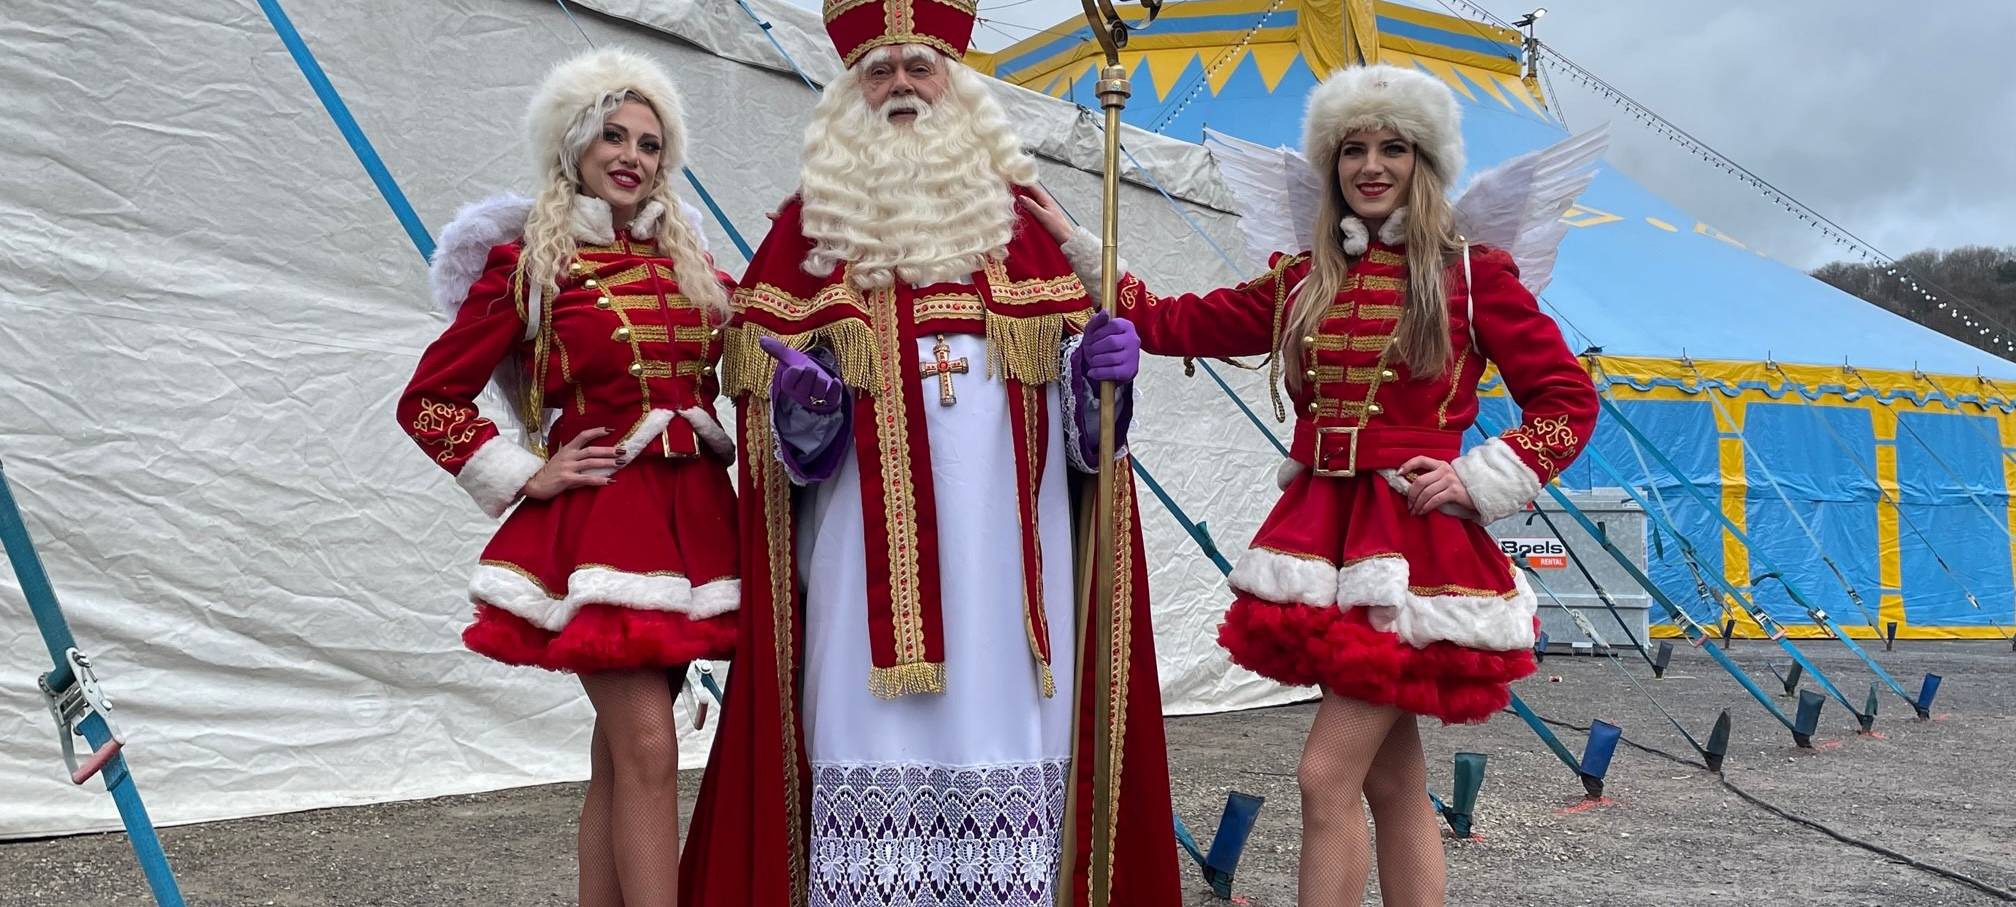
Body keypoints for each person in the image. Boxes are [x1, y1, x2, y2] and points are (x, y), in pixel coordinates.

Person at [1026, 63, 1600, 906]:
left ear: (1425, 161)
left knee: (1322, 775)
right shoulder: (1305, 275)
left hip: (1410, 544)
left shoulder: (1472, 273)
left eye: (1394, 148)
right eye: (1354, 150)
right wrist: (1085, 250)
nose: (1371, 166)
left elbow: (1567, 398)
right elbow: (1177, 322)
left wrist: (1478, 475)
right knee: (1391, 785)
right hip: (1325, 533)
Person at [678, 3, 1181, 905]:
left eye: (920, 68)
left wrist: (1104, 386)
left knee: (1014, 788)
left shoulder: (1030, 230)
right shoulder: (806, 233)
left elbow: (1087, 445)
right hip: (854, 577)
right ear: (848, 96)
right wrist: (804, 413)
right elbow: (780, 452)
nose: (902, 87)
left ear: (958, 86)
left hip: (1014, 587)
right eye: (879, 72)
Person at [397, 47, 737, 907]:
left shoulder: (690, 261)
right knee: (651, 750)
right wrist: (525, 473)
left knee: (622, 755)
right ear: (574, 145)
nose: (632, 156)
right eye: (612, 136)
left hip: (692, 523)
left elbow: (763, 354)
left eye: (651, 144)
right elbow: (429, 398)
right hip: (600, 530)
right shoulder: (527, 264)